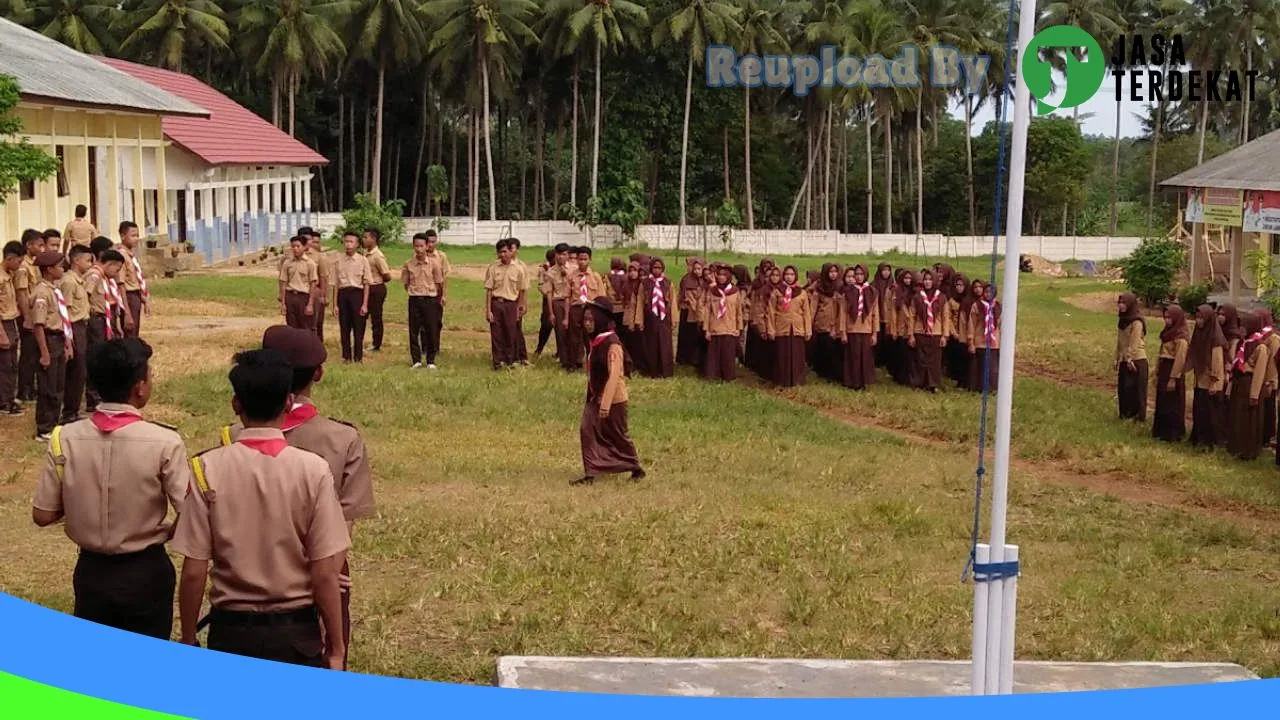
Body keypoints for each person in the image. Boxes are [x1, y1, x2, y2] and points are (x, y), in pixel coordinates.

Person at [173, 349, 348, 669]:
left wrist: (187, 637)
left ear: (236, 405)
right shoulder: (314, 470)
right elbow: (324, 572)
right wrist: (336, 647)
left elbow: (194, 569)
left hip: (230, 635)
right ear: (287, 404)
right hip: (296, 636)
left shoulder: (205, 468)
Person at [218, 327, 374, 670]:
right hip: (327, 574)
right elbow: (343, 525)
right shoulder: (342, 438)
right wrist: (327, 576)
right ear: (318, 373)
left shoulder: (232, 436)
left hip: (244, 575)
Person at [31, 338, 190, 638]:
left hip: (91, 571)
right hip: (146, 570)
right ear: (140, 387)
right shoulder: (164, 441)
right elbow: (190, 511)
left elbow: (42, 514)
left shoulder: (64, 437)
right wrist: (169, 531)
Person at [574, 296, 644, 486]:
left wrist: (605, 404)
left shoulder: (612, 343)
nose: (587, 324)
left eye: (591, 320)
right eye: (585, 320)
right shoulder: (595, 341)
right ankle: (591, 471)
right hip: (595, 396)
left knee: (617, 435)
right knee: (587, 430)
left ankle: (635, 467)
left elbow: (614, 376)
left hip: (613, 399)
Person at [31, 251, 74, 440]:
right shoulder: (41, 293)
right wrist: (44, 352)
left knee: (58, 384)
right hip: (47, 339)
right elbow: (38, 325)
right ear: (49, 270)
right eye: (59, 266)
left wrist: (67, 343)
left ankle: (54, 423)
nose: (62, 269)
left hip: (58, 338)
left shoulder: (54, 290)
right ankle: (44, 427)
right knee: (47, 386)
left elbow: (62, 319)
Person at [84, 247, 125, 413]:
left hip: (104, 319)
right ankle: (92, 398)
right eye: (117, 268)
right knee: (96, 356)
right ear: (110, 264)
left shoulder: (104, 277)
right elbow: (85, 297)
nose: (117, 273)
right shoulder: (93, 276)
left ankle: (98, 394)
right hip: (95, 320)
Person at [1227, 312, 1270, 460]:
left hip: (1250, 383)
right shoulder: (1243, 343)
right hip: (1239, 382)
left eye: (1244, 327)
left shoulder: (1260, 347)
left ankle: (1247, 450)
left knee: (1248, 418)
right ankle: (1235, 446)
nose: (1241, 330)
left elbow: (1259, 372)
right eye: (1240, 327)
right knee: (1237, 415)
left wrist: (1254, 394)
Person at [402, 233, 447, 369]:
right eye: (416, 246)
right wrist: (415, 292)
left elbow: (439, 283)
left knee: (431, 329)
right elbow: (405, 283)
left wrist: (434, 296)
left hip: (430, 299)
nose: (419, 249)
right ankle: (416, 360)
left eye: (421, 246)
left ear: (427, 246)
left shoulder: (434, 264)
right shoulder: (409, 264)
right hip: (414, 299)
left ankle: (431, 360)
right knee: (413, 330)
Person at [483, 239, 528, 370]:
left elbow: (522, 290)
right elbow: (489, 290)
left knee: (511, 332)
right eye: (500, 252)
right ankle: (498, 361)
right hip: (497, 303)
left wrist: (521, 306)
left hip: (511, 304)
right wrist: (488, 309)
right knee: (496, 334)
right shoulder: (493, 268)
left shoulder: (519, 269)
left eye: (505, 251)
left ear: (510, 251)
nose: (503, 254)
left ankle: (511, 360)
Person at [1188, 304, 1228, 450]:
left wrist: (1213, 382)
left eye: (1201, 318)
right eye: (1197, 318)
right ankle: (1199, 439)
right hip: (1200, 381)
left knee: (1211, 414)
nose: (1198, 321)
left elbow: (1217, 363)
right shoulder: (1199, 334)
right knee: (1200, 411)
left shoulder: (1215, 338)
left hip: (1211, 383)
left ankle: (1212, 442)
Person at [60, 245, 92, 423]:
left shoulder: (78, 280)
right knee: (76, 370)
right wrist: (68, 337)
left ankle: (73, 408)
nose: (89, 264)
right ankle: (69, 411)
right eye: (87, 260)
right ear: (76, 260)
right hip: (73, 327)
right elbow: (66, 311)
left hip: (82, 325)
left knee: (81, 370)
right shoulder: (69, 282)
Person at [765, 265, 811, 388]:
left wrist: (808, 330)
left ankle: (797, 380)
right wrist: (771, 329)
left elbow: (806, 312)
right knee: (782, 355)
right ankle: (781, 381)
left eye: (791, 274)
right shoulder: (777, 291)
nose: (789, 277)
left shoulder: (802, 293)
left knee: (797, 355)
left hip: (797, 328)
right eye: (786, 275)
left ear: (795, 276)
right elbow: (771, 311)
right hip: (782, 328)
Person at [1152, 305, 1190, 442]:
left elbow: (1180, 358)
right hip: (1164, 368)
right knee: (1162, 400)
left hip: (1173, 370)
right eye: (1165, 317)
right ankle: (1161, 431)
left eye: (1170, 317)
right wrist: (1156, 371)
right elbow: (1161, 352)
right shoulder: (1167, 333)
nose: (1167, 320)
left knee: (1173, 402)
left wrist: (1173, 378)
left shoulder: (1181, 336)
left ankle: (1173, 433)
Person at [15, 229, 45, 405]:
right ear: (29, 245)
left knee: (34, 352)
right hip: (27, 315)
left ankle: (30, 388)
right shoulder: (23, 268)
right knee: (27, 354)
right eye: (39, 245)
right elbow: (22, 294)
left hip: (35, 313)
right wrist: (27, 317)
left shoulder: (33, 264)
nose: (42, 248)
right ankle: (23, 390)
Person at [566, 247, 608, 371]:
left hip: (591, 310)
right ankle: (573, 363)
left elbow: (601, 296)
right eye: (580, 259)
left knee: (590, 337)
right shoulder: (571, 276)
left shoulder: (595, 276)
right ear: (577, 260)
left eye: (585, 259)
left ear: (590, 260)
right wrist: (567, 314)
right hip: (576, 308)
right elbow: (567, 296)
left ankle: (593, 363)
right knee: (574, 337)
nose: (582, 262)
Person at [333, 231, 372, 363]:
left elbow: (367, 284)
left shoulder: (363, 260)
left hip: (357, 294)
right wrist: (335, 304)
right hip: (343, 294)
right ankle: (346, 356)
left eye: (351, 242)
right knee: (344, 327)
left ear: (357, 244)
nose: (348, 245)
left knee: (358, 327)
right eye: (346, 241)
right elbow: (336, 284)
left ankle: (358, 356)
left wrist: (365, 304)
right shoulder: (338, 260)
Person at [703, 265, 745, 381]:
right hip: (715, 327)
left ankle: (728, 376)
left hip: (730, 328)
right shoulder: (712, 291)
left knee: (728, 354)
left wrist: (739, 328)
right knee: (714, 355)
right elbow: (708, 311)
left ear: (729, 277)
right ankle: (713, 375)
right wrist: (707, 329)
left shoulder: (735, 292)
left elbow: (738, 312)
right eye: (719, 275)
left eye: (724, 275)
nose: (721, 277)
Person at [840, 265, 878, 391]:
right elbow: (843, 312)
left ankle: (863, 382)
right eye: (856, 274)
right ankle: (852, 381)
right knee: (853, 356)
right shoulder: (848, 291)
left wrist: (874, 333)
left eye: (861, 274)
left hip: (866, 329)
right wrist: (843, 332)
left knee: (864, 356)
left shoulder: (872, 292)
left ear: (865, 275)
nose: (858, 276)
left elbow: (875, 314)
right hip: (852, 328)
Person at [910, 269, 948, 393]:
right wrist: (911, 335)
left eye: (930, 279)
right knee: (920, 359)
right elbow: (912, 316)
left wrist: (944, 335)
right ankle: (919, 382)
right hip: (920, 332)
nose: (927, 282)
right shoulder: (917, 297)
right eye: (925, 279)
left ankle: (933, 384)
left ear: (935, 281)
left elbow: (945, 317)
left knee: (934, 361)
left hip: (936, 333)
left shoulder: (941, 298)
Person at [1115, 293, 1148, 422]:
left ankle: (1137, 416)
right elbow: (1120, 341)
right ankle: (1125, 414)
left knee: (1135, 389)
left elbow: (1134, 342)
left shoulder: (1137, 322)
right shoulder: (1122, 320)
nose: (1121, 305)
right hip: (1125, 359)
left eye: (1124, 303)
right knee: (1124, 388)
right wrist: (1116, 357)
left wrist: (1129, 358)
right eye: (1120, 303)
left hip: (1136, 360)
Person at [640, 256, 675, 378]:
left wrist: (674, 319)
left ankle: (665, 371)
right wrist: (639, 320)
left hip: (664, 317)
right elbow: (639, 302)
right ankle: (652, 371)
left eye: (659, 268)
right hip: (650, 317)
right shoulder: (645, 284)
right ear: (650, 268)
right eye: (654, 268)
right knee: (651, 344)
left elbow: (673, 302)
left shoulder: (668, 283)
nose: (657, 270)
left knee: (665, 344)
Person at [810, 263, 844, 383]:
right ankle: (823, 373)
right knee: (823, 348)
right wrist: (810, 323)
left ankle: (834, 374)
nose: (833, 274)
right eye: (830, 272)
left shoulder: (840, 286)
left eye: (835, 271)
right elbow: (813, 306)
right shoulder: (819, 287)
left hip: (836, 322)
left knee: (834, 350)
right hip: (822, 322)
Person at [279, 235, 320, 331]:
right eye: (293, 246)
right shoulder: (287, 263)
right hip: (290, 296)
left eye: (298, 246)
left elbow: (313, 284)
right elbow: (283, 281)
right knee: (291, 326)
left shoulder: (310, 263)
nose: (295, 249)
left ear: (304, 247)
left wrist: (310, 304)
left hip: (304, 297)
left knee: (305, 326)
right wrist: (283, 302)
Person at [1, 242, 23, 415]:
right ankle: (4, 402)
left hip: (11, 321)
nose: (19, 265)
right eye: (18, 261)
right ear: (9, 258)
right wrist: (2, 334)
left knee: (13, 363)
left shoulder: (9, 275)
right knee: (5, 364)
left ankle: (9, 396)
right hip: (3, 323)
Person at [116, 221, 149, 338]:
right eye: (133, 236)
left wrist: (143, 298)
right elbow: (121, 284)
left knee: (135, 332)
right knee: (130, 333)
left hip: (135, 295)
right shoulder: (121, 256)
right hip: (128, 297)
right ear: (122, 236)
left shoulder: (131, 255)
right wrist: (127, 312)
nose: (136, 239)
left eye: (137, 236)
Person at [361, 228, 393, 352]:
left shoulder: (378, 256)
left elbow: (387, 275)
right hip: (366, 288)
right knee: (362, 315)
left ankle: (376, 344)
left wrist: (376, 282)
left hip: (376, 288)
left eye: (366, 237)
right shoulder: (365, 253)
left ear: (373, 239)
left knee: (376, 317)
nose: (364, 240)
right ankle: (361, 340)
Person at [543, 244, 574, 369]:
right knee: (560, 332)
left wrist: (566, 274)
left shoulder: (574, 268)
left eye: (564, 254)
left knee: (573, 332)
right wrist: (551, 312)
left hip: (573, 302)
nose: (561, 257)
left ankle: (575, 359)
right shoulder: (550, 272)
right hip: (558, 302)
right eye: (559, 254)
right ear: (555, 255)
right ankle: (564, 360)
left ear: (568, 255)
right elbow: (549, 293)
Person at [969, 283, 1001, 393]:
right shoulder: (977, 305)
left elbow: (1001, 324)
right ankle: (980, 388)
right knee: (981, 366)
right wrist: (971, 341)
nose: (988, 294)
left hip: (994, 342)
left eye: (991, 292)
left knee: (993, 367)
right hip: (980, 341)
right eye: (986, 292)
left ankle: (993, 388)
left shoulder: (998, 306)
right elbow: (972, 324)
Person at [302, 229, 333, 341]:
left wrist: (324, 295)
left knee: (316, 321)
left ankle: (316, 343)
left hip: (315, 291)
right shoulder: (293, 255)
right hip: (300, 291)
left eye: (310, 240)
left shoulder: (319, 256)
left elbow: (324, 277)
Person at [676, 258, 706, 368]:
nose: (697, 271)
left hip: (699, 312)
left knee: (697, 336)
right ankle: (685, 359)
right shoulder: (687, 280)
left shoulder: (704, 280)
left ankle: (695, 359)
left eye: (699, 269)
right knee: (687, 335)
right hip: (689, 311)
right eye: (695, 268)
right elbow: (687, 297)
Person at [1256, 309, 1279, 446]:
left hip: (1268, 380)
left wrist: (1270, 382)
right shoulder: (1259, 335)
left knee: (1268, 409)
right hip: (1259, 377)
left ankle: (1267, 437)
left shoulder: (1273, 339)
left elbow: (1273, 362)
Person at [946, 273, 970, 388]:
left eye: (961, 285)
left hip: (967, 333)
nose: (959, 287)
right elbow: (948, 317)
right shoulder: (951, 300)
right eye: (957, 285)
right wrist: (954, 332)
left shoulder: (970, 301)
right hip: (954, 332)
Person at [535, 248, 559, 358]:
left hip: (560, 299)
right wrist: (548, 293)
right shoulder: (544, 269)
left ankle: (560, 351)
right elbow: (540, 285)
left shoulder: (561, 268)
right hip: (548, 299)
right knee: (546, 325)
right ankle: (539, 349)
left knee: (560, 327)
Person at [871, 263, 894, 368]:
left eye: (888, 270)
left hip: (889, 317)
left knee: (888, 340)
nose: (886, 272)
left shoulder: (893, 285)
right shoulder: (873, 285)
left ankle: (887, 362)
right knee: (878, 341)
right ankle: (876, 361)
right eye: (884, 270)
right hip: (877, 317)